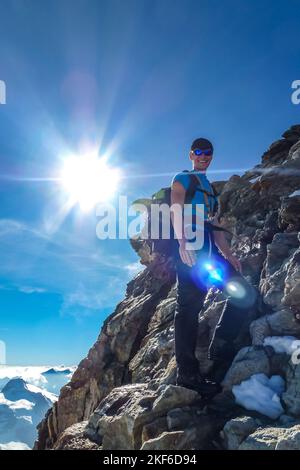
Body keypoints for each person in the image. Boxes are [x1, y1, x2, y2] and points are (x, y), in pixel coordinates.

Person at [170, 137, 258, 396]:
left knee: (244, 293)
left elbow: (215, 226)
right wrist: (182, 243)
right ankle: (187, 374)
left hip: (211, 256)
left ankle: (220, 344)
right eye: (198, 152)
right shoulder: (183, 179)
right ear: (190, 155)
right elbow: (175, 208)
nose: (203, 156)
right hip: (191, 254)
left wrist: (228, 254)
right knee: (188, 309)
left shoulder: (211, 191)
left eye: (208, 152)